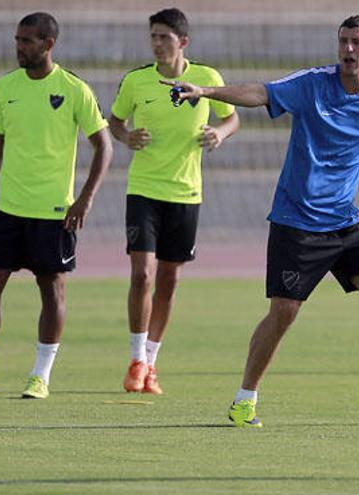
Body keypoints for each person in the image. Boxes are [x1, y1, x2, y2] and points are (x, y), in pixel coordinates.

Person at [163, 14, 359, 427]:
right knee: (284, 312)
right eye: (343, 42)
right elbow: (261, 93)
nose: (348, 50)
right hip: (298, 220)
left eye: (357, 42)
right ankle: (244, 399)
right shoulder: (312, 85)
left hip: (344, 220)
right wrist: (207, 91)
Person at [0, 12, 112, 400]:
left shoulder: (75, 90)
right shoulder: (5, 87)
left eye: (27, 41)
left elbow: (103, 147)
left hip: (54, 212)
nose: (19, 47)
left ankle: (40, 375)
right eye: (17, 40)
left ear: (48, 44)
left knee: (51, 288)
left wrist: (83, 199)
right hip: (9, 209)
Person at [109, 8, 238, 395]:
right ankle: (135, 360)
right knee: (142, 274)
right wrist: (126, 136)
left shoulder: (206, 78)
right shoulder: (136, 81)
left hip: (186, 192)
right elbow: (114, 120)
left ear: (182, 42)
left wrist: (219, 132)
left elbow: (231, 117)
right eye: (153, 36)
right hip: (144, 190)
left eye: (164, 37)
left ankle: (151, 362)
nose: (157, 43)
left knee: (169, 280)